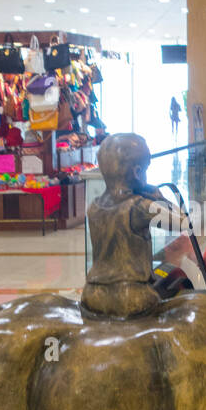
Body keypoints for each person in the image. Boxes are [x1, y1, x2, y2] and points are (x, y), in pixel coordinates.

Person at [82, 133, 184, 318]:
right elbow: (184, 222)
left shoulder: (94, 206)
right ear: (137, 173)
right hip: (130, 296)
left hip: (92, 294)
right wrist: (159, 197)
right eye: (145, 170)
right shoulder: (138, 207)